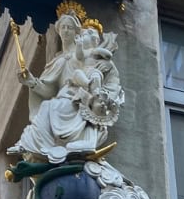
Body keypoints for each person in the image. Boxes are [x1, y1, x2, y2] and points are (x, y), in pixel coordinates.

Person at [13, 11, 122, 163]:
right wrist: (31, 82)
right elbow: (49, 90)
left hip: (80, 97)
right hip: (64, 96)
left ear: (77, 32)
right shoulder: (58, 60)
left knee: (55, 105)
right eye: (62, 27)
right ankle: (35, 145)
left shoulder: (83, 54)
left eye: (69, 28)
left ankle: (73, 145)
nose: (65, 31)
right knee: (46, 106)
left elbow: (100, 69)